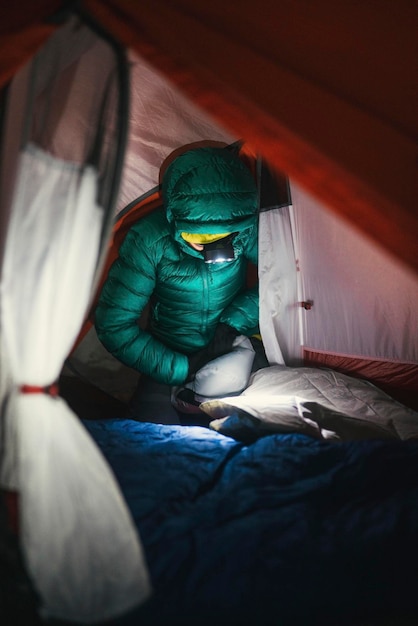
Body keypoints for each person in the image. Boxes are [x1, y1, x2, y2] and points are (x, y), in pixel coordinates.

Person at [95, 145, 268, 424]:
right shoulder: (149, 240)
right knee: (151, 435)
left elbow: (282, 280)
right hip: (169, 356)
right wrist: (180, 368)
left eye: (223, 237)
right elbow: (113, 325)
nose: (208, 249)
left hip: (232, 343)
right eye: (197, 237)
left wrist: (234, 322)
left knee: (249, 425)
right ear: (175, 220)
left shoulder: (245, 230)